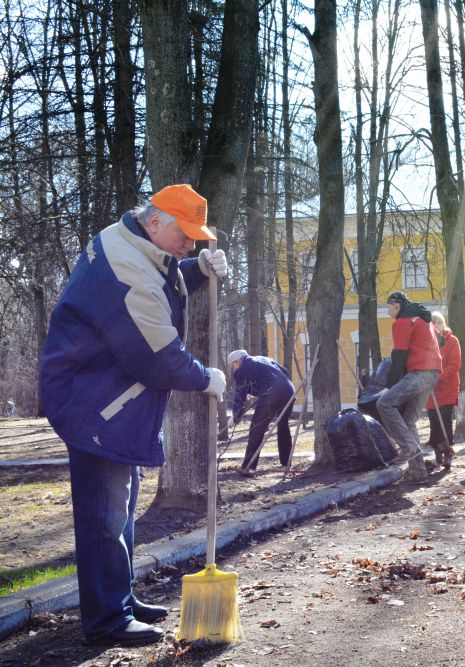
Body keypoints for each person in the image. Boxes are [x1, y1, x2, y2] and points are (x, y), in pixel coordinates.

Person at [39, 184, 228, 646]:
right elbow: (160, 357)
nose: (191, 243)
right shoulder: (128, 272)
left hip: (106, 394)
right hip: (95, 405)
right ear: (157, 220)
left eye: (197, 240)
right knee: (104, 514)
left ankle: (119, 596)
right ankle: (107, 619)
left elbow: (160, 274)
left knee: (121, 506)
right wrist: (207, 377)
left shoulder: (128, 239)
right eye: (186, 237)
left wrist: (196, 270)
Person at [376, 291, 442, 483]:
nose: (388, 312)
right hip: (433, 373)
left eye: (389, 307)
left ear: (397, 306)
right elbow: (442, 340)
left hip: (419, 373)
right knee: (409, 420)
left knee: (384, 404)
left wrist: (389, 385)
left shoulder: (403, 322)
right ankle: (418, 472)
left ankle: (408, 447)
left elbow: (399, 355)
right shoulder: (424, 319)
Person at [227, 350, 295, 476]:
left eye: (233, 366)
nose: (234, 369)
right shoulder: (263, 359)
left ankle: (248, 467)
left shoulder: (244, 367)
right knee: (283, 428)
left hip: (271, 394)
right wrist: (257, 391)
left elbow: (239, 394)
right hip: (289, 391)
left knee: (256, 429)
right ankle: (286, 464)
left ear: (238, 361)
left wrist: (235, 416)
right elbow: (284, 372)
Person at [424, 311, 461, 469]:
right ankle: (437, 452)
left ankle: (447, 453)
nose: (437, 326)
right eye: (433, 323)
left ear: (443, 323)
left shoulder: (451, 340)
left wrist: (438, 378)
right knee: (434, 423)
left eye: (439, 322)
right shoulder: (427, 342)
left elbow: (454, 365)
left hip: (447, 387)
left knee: (445, 420)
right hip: (431, 391)